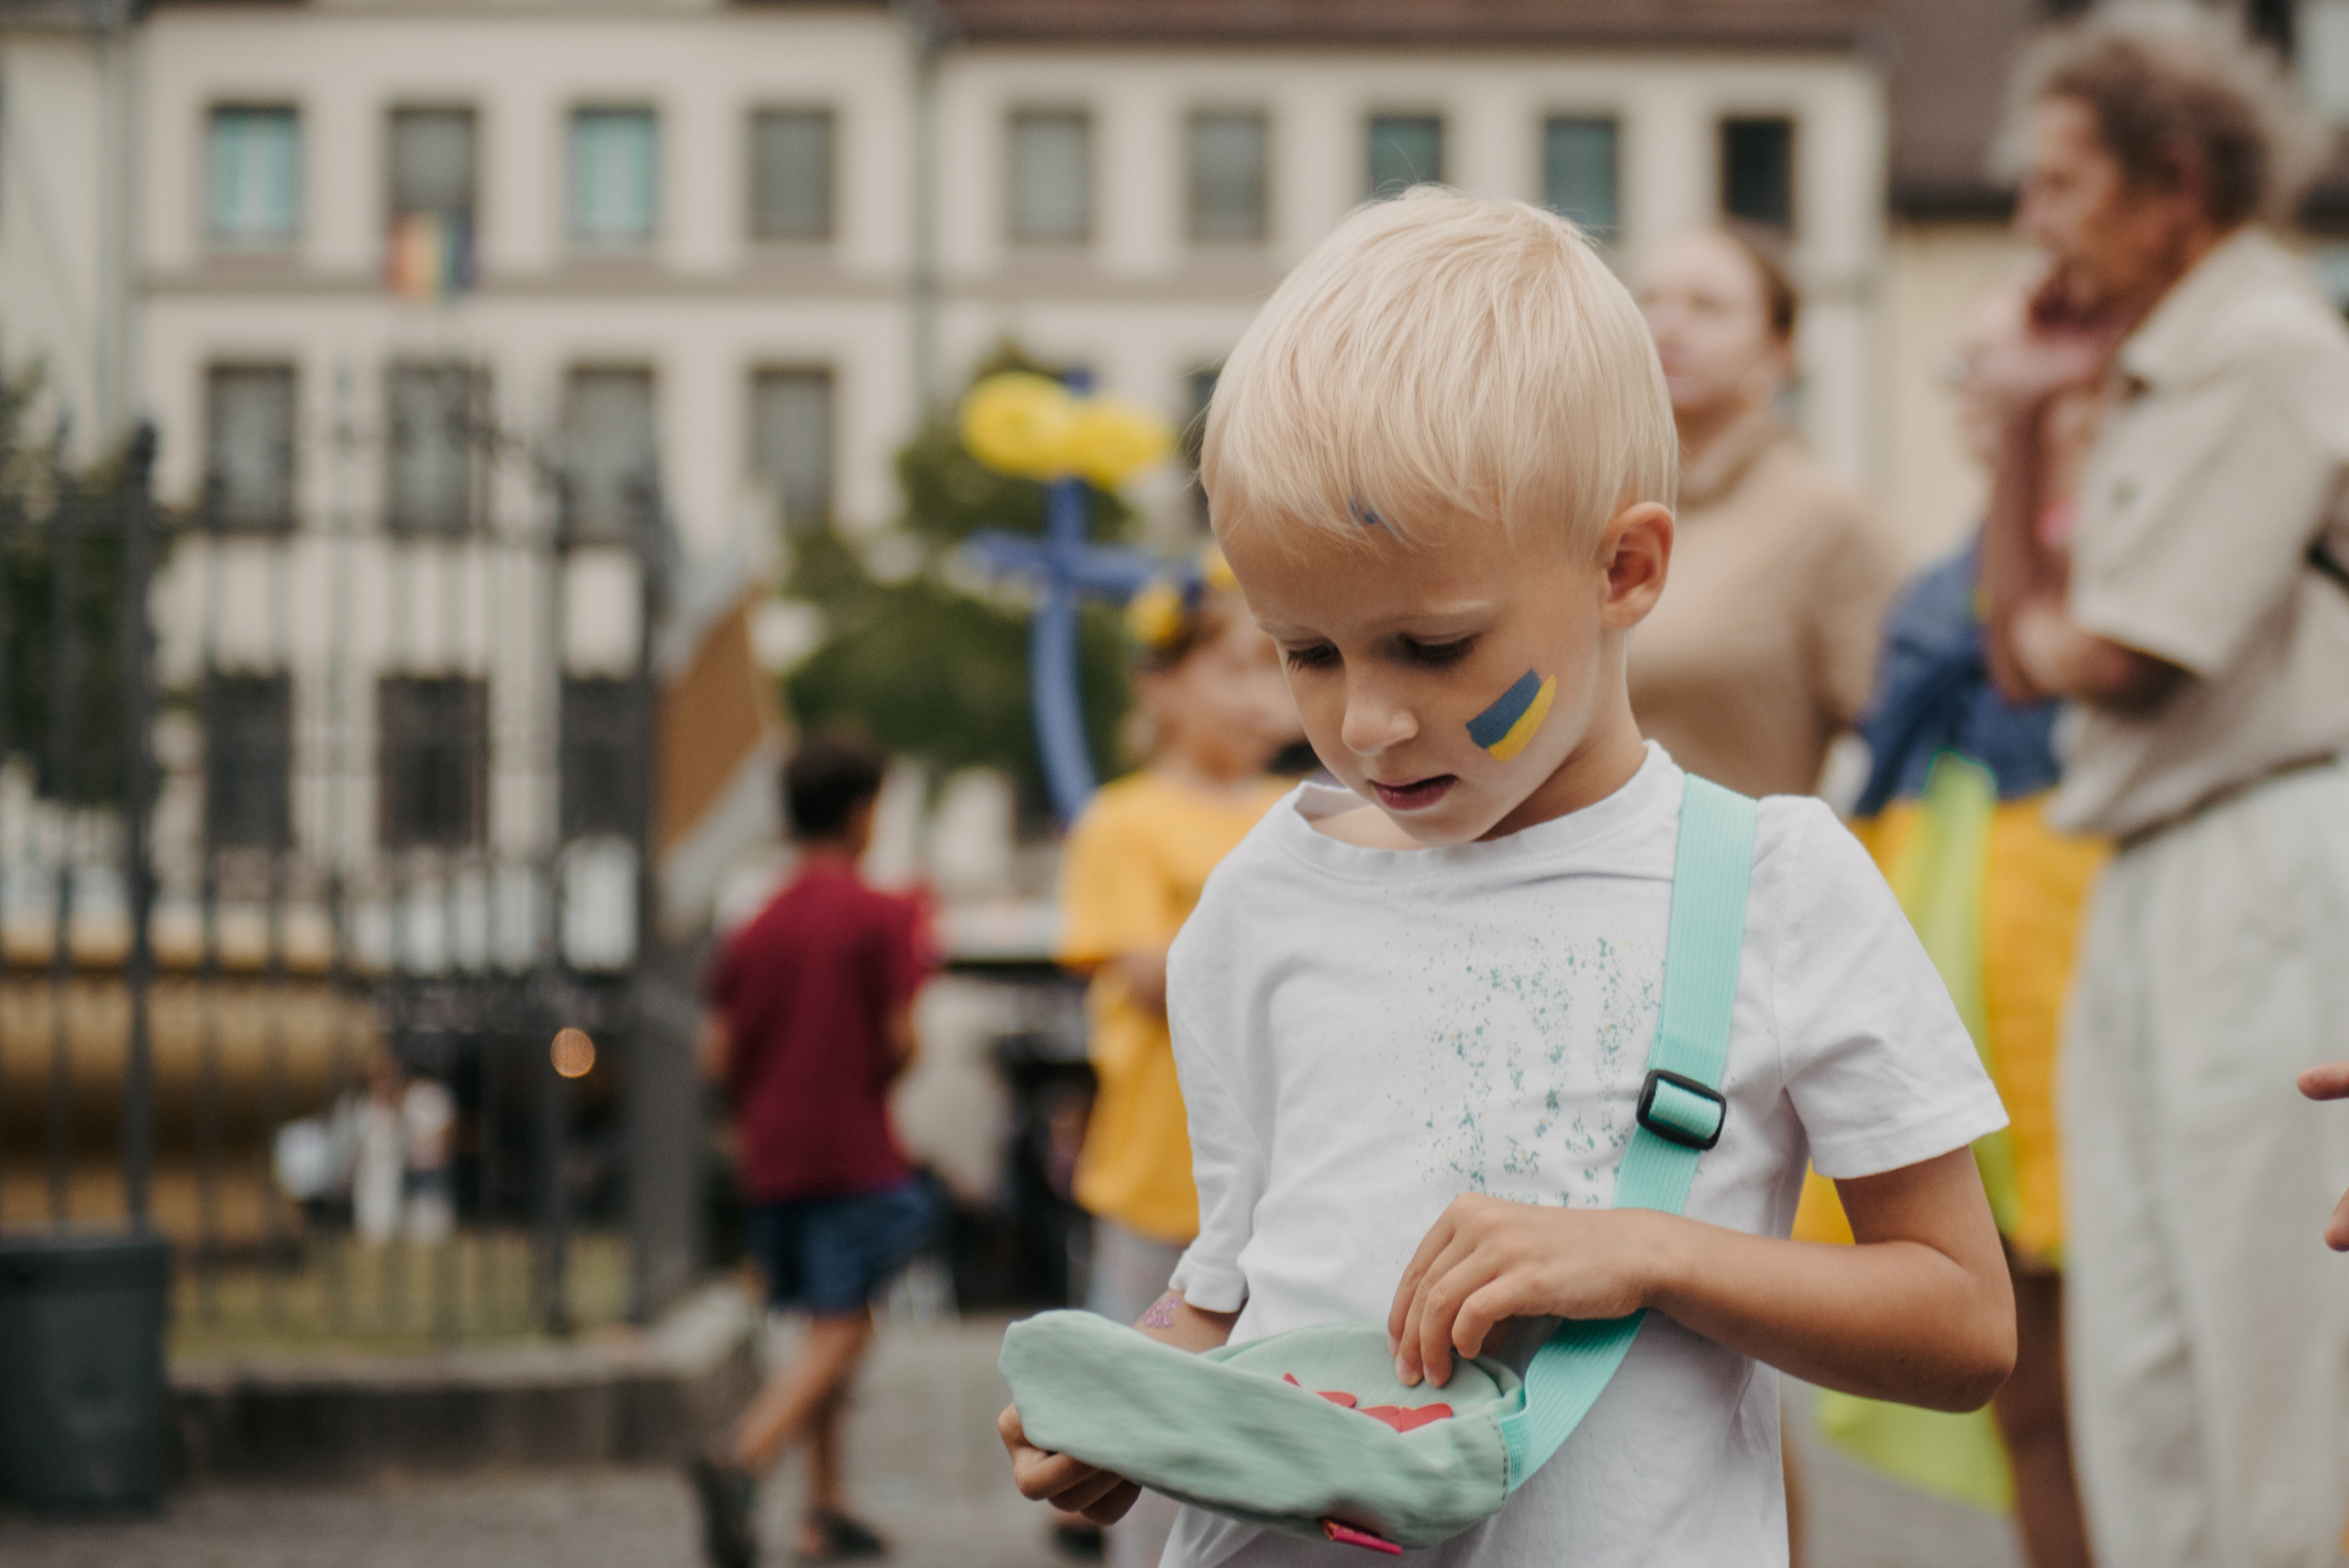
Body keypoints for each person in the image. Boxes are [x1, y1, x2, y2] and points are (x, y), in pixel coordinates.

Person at [999, 186, 2017, 1568]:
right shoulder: (1257, 896)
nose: (1366, 722)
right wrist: (1137, 1403)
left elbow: (1962, 1324)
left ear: (1625, 568)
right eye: (1305, 651)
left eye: (1431, 646)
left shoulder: (1773, 887)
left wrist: (1653, 1256)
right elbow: (1233, 1285)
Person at [1976, 18, 2349, 1567]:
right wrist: (2015, 426)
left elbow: (2121, 652)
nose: (2034, 224)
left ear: (2173, 183)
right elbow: (2024, 652)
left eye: (2065, 184)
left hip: (2261, 848)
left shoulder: (2263, 346)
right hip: (2154, 856)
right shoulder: (2148, 364)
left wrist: (2064, 630)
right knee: (2141, 1345)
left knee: (2256, 1337)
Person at [1793, 287, 2103, 1568]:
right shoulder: (1943, 571)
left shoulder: (2122, 549)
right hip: (1957, 930)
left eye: (2008, 367)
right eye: (1967, 370)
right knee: (2031, 1361)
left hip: (2068, 931)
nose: (1985, 389)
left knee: (2121, 1355)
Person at [1054, 547, 1302, 1567]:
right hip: (1160, 1189)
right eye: (1232, 667)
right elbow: (1141, 972)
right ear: (1160, 681)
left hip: (1287, 1189)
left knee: (1275, 1416)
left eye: (1274, 667)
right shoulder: (1122, 820)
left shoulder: (1309, 814)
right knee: (1149, 1409)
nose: (1260, 696)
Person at [690, 731, 940, 1568]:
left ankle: (823, 1509)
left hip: (774, 1157)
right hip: (852, 1152)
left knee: (828, 1315)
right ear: (863, 812)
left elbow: (716, 1056)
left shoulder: (756, 923)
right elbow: (900, 1041)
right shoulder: (882, 912)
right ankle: (742, 1457)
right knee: (841, 1328)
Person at [1630, 226, 1899, 798]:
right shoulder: (1584, 506)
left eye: (1708, 308)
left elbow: (1906, 733)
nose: (1668, 326)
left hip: (1727, 875)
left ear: (1781, 349)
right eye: (1650, 300)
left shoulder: (1826, 517)